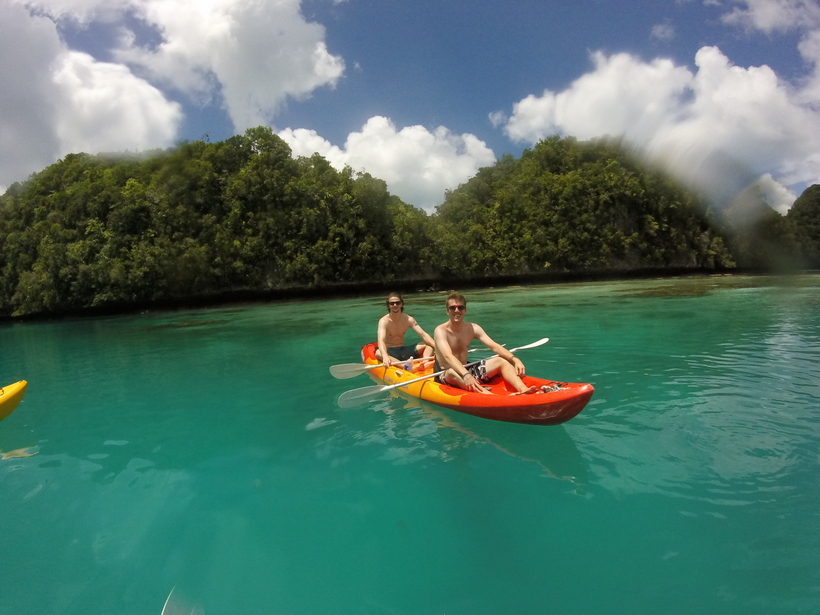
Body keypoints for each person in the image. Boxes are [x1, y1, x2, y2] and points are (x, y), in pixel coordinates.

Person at [433, 291, 538, 395]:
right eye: (452, 308)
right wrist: (466, 375)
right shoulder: (440, 331)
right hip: (446, 374)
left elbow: (494, 346)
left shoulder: (473, 328)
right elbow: (448, 356)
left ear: (465, 310)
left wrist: (515, 359)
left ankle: (523, 389)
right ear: (447, 311)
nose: (457, 310)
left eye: (460, 307)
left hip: (466, 369)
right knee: (451, 372)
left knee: (500, 361)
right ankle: (487, 395)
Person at [376, 292, 435, 368]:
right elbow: (381, 340)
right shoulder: (384, 321)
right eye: (392, 303)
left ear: (401, 304)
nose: (395, 305)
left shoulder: (408, 319)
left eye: (397, 303)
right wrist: (385, 356)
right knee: (378, 352)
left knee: (429, 343)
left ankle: (425, 362)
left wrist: (437, 347)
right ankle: (406, 367)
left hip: (404, 350)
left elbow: (424, 335)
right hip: (390, 352)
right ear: (388, 305)